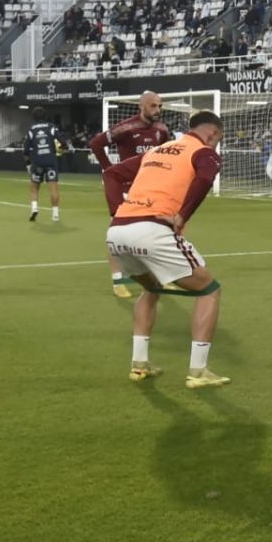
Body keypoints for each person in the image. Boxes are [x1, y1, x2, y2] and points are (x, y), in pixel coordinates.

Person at [104, 111, 228, 388]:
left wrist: (117, 212)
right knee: (209, 290)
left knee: (152, 288)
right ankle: (198, 371)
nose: (217, 144)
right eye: (218, 138)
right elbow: (205, 180)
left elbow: (112, 173)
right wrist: (182, 216)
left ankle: (139, 364)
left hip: (117, 233)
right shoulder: (203, 151)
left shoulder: (156, 151)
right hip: (152, 230)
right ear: (212, 133)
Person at [89, 91, 175, 298]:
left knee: (157, 231)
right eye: (153, 106)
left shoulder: (162, 130)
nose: (158, 110)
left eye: (160, 106)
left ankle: (160, 277)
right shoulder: (126, 127)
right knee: (117, 232)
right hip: (126, 187)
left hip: (151, 188)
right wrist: (110, 169)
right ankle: (118, 280)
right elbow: (96, 144)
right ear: (142, 107)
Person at [24, 108, 65, 223]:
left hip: (37, 162)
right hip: (51, 161)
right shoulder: (52, 127)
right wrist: (61, 150)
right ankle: (55, 215)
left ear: (34, 117)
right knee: (53, 188)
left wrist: (28, 165)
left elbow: (26, 150)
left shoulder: (31, 129)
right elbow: (63, 142)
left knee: (34, 187)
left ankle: (34, 209)